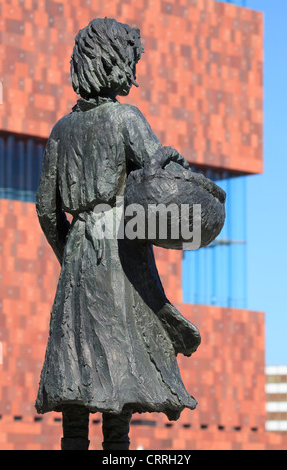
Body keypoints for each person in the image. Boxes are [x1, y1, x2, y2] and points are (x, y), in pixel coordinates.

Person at [35, 17, 201, 451]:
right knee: (117, 364)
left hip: (77, 256)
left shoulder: (61, 130)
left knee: (74, 364)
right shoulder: (126, 118)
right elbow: (161, 178)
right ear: (112, 61)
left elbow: (46, 211)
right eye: (130, 59)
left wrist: (69, 254)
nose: (133, 70)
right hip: (117, 251)